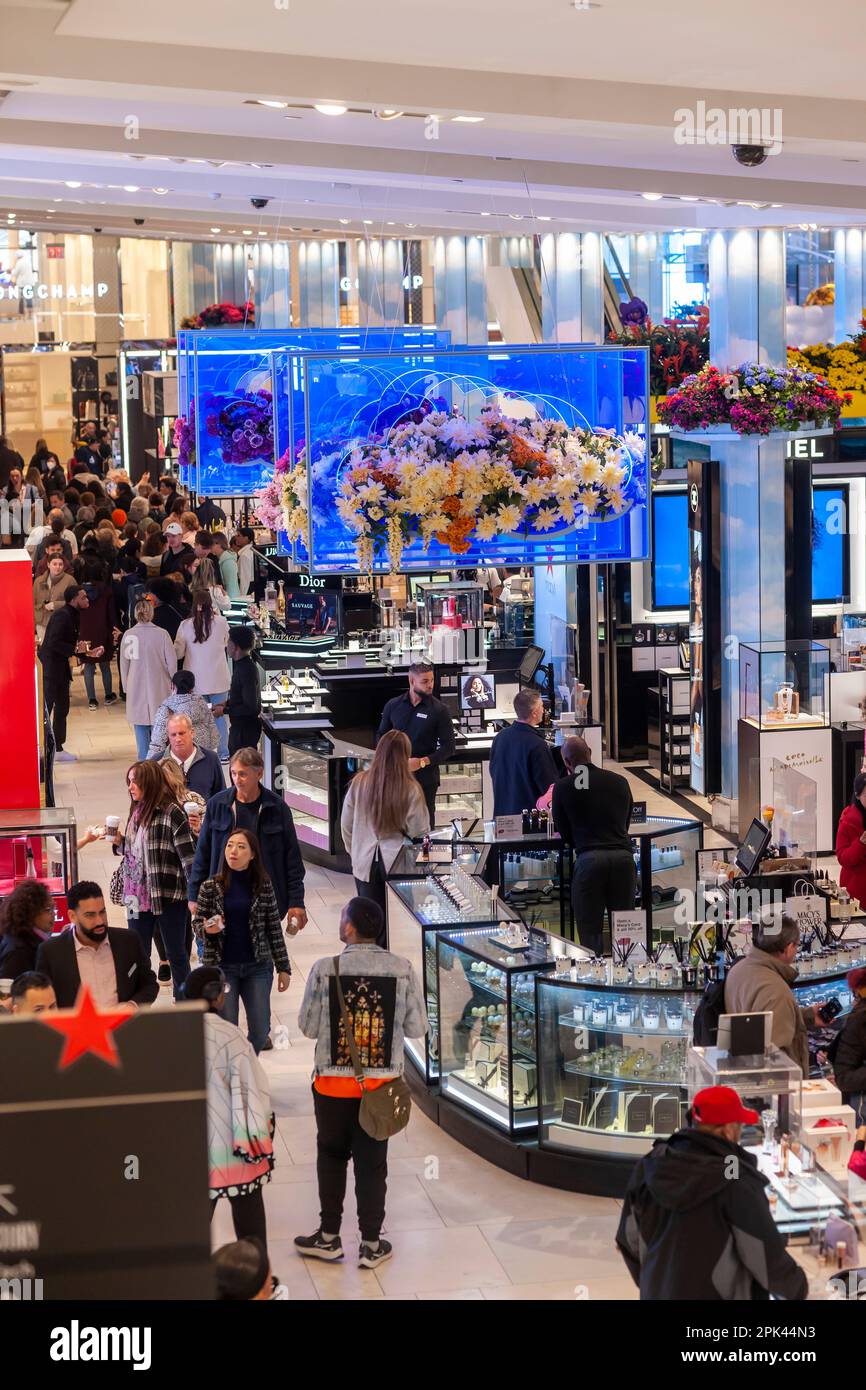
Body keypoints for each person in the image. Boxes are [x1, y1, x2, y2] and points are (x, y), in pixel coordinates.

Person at [294, 897, 427, 1269]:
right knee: (373, 1165)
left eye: (341, 918)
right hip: (380, 1090)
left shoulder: (325, 969)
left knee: (331, 1156)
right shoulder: (402, 969)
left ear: (350, 927)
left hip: (332, 1087)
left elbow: (307, 1026)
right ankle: (371, 1243)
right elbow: (417, 1027)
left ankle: (328, 1236)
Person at [616, 1084, 808, 1300]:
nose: (740, 1133)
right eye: (739, 1126)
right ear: (727, 1130)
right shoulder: (735, 1181)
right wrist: (799, 1288)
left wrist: (654, 1282)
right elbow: (765, 1257)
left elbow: (628, 1239)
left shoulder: (651, 1164)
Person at [183, 966, 275, 1250]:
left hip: (192, 1152)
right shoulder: (232, 1037)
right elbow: (253, 1093)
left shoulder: (174, 1034)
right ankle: (258, 1276)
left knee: (191, 1226)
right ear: (219, 998)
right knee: (250, 1222)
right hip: (235, 1151)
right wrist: (262, 1136)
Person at [192, 828, 291, 1053]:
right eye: (229, 845)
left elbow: (274, 927)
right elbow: (197, 924)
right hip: (222, 967)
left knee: (259, 1029)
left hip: (257, 966)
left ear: (253, 854)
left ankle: (248, 1066)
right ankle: (236, 1076)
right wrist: (209, 928)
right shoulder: (210, 886)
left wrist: (283, 967)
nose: (233, 851)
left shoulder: (263, 885)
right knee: (228, 1030)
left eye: (241, 846)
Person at [188, 746, 307, 932]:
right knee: (217, 951)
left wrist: (296, 901)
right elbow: (203, 854)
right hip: (222, 900)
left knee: (261, 954)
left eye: (243, 774)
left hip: (264, 902)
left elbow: (292, 860)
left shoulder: (277, 808)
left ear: (259, 773)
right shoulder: (217, 805)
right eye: (234, 773)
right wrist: (194, 895)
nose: (237, 779)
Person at [111, 761, 196, 998]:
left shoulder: (172, 812)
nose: (130, 787)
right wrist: (120, 842)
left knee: (176, 954)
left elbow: (188, 857)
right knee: (138, 954)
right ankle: (138, 1002)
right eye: (128, 781)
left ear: (149, 782)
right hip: (135, 898)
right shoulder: (136, 811)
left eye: (135, 781)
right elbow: (135, 852)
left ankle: (184, 1004)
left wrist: (194, 896)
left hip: (168, 895)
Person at [551, 735, 636, 956]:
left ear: (567, 763)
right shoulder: (619, 781)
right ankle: (630, 979)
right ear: (589, 752)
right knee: (627, 932)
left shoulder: (562, 787)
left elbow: (564, 832)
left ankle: (594, 980)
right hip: (623, 861)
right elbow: (626, 822)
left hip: (589, 862)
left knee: (590, 935)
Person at [340, 729, 429, 933]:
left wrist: (355, 852)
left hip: (365, 863)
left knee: (368, 925)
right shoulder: (411, 789)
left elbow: (346, 824)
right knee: (398, 925)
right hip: (397, 864)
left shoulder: (359, 783)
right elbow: (419, 831)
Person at [724, 915, 826, 1076]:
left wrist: (806, 1016)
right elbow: (776, 1059)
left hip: (744, 1072)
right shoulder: (776, 991)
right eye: (796, 945)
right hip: (775, 1091)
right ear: (788, 947)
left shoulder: (739, 970)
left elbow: (758, 1020)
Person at [36, 879, 158, 1009]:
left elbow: (149, 984)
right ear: (72, 916)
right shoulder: (51, 952)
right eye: (90, 915)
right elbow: (41, 1002)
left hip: (124, 1027)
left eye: (102, 912)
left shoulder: (128, 941)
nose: (100, 921)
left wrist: (133, 1005)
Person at [376, 660, 456, 825]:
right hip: (395, 777)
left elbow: (449, 747)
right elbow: (381, 737)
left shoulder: (440, 710)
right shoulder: (393, 705)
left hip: (425, 779)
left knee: (424, 824)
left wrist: (422, 762)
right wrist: (393, 761)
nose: (430, 685)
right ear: (412, 681)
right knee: (396, 822)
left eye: (432, 680)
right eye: (425, 681)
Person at [38, 585, 98, 762]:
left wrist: (88, 652)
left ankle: (57, 748)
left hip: (60, 668)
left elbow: (68, 645)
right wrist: (75, 649)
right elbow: (54, 642)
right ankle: (43, 748)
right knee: (47, 709)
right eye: (83, 597)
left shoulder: (73, 615)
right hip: (50, 669)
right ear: (74, 599)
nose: (87, 600)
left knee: (62, 708)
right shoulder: (62, 616)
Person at [174, 590, 231, 763]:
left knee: (196, 719)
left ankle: (202, 753)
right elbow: (227, 644)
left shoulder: (185, 625)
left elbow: (178, 652)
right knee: (220, 718)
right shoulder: (221, 622)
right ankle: (223, 753)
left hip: (195, 681)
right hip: (219, 678)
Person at [120, 598, 177, 760]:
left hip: (135, 684)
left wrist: (126, 687)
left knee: (140, 726)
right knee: (160, 727)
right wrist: (174, 684)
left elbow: (124, 664)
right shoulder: (162, 634)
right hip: (159, 685)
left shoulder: (129, 635)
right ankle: (160, 760)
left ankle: (144, 762)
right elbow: (171, 663)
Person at [489, 687, 558, 819]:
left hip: (502, 816)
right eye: (542, 707)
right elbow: (549, 787)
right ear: (534, 712)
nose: (543, 711)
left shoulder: (500, 737)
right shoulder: (537, 744)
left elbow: (493, 773)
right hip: (528, 822)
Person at [147, 669, 219, 759]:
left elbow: (157, 744)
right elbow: (213, 733)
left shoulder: (166, 709)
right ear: (192, 687)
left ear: (173, 686)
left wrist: (149, 765)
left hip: (177, 761)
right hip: (202, 757)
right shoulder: (202, 705)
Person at [77, 567, 119, 711]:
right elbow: (111, 613)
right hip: (103, 631)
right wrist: (114, 629)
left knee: (88, 665)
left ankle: (92, 700)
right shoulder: (106, 591)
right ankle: (108, 695)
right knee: (105, 664)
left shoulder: (79, 592)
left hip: (84, 632)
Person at [215, 627, 261, 755]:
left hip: (244, 732)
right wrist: (227, 703)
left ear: (236, 646)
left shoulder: (245, 670)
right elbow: (243, 697)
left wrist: (224, 710)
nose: (226, 644)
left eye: (229, 641)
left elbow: (250, 707)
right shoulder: (243, 666)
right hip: (241, 729)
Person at [159, 712, 224, 801]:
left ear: (192, 732)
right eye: (173, 735)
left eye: (181, 733)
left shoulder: (211, 759)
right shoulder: (157, 763)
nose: (178, 739)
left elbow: (221, 797)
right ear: (168, 736)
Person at [830, 967, 866, 1122]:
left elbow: (845, 1077)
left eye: (855, 997)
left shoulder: (859, 1019)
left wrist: (840, 1080)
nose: (852, 1002)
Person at [0, 880, 56, 979]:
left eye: (53, 908)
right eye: (48, 910)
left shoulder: (33, 940)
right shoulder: (19, 952)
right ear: (30, 912)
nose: (53, 914)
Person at [836, 773, 866, 908]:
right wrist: (861, 843)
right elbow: (843, 858)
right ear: (858, 795)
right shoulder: (848, 820)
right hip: (857, 889)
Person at [33, 553, 76, 641]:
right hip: (41, 623)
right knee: (43, 651)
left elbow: (75, 602)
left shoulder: (70, 580)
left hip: (61, 624)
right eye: (54, 564)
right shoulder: (38, 581)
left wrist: (56, 605)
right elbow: (32, 603)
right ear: (48, 565)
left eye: (60, 564)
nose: (57, 567)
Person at [212, 532, 240, 600]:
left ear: (218, 544)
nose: (210, 547)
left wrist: (229, 601)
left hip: (232, 599)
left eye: (211, 544)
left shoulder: (227, 561)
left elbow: (230, 584)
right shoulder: (224, 559)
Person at [233, 527, 255, 597]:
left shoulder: (245, 555)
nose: (236, 538)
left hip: (248, 589)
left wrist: (242, 596)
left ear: (246, 538)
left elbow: (245, 578)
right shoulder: (252, 551)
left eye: (239, 535)